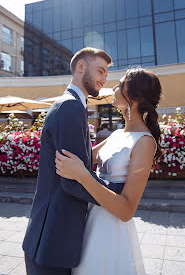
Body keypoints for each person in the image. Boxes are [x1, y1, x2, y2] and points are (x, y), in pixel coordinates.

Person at [22, 47, 124, 275]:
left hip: (51, 238)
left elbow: (79, 164)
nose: (104, 79)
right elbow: (72, 180)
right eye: (100, 71)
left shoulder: (71, 105)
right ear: (81, 67)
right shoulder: (71, 107)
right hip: (53, 243)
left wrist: (114, 142)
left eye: (106, 73)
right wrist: (119, 191)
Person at [55, 67, 162, 275]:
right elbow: (83, 158)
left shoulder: (145, 142)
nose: (113, 87)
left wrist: (83, 176)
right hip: (91, 217)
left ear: (133, 95)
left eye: (120, 84)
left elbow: (126, 210)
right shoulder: (116, 134)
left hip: (111, 230)